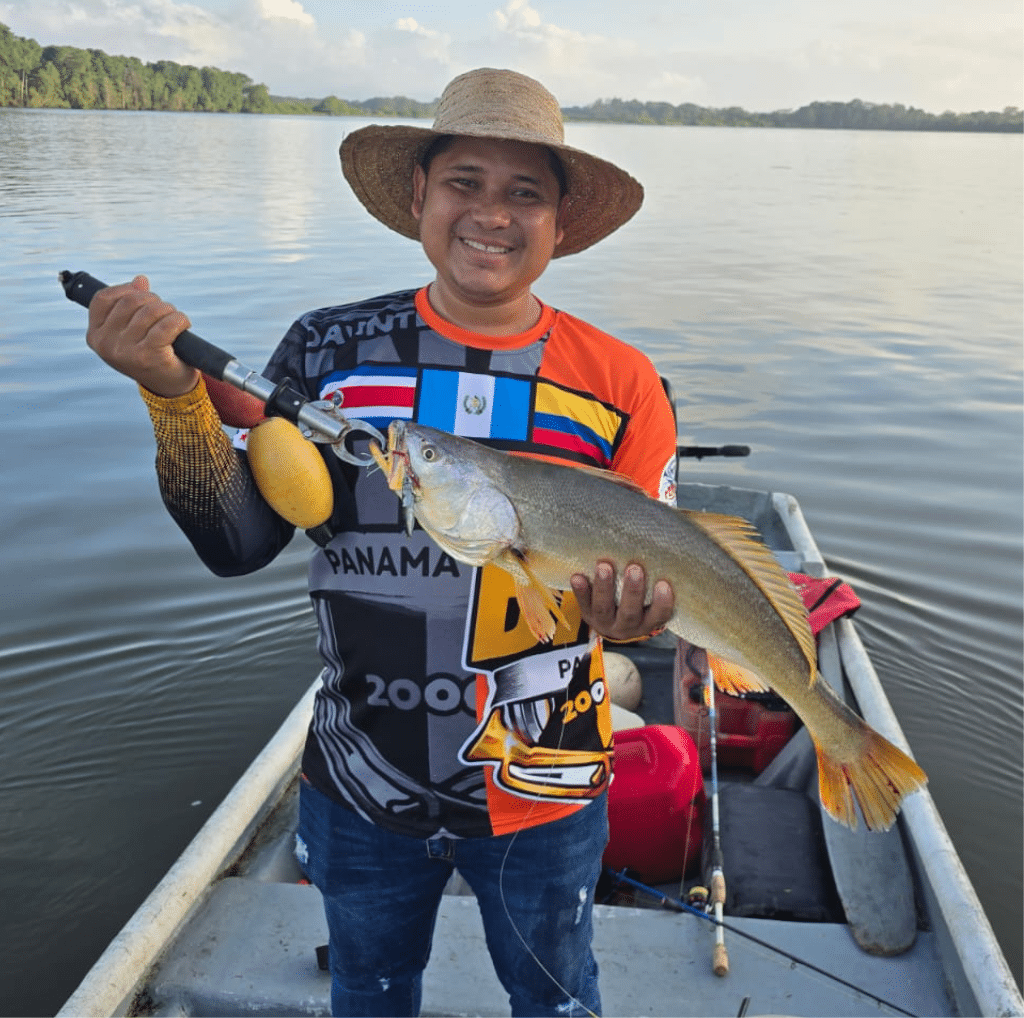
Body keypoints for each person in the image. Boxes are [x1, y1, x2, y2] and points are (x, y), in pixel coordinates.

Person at [85, 67, 677, 1018]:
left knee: (558, 997)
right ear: (417, 196)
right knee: (367, 994)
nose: (492, 214)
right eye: (465, 182)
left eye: (525, 192)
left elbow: (650, 595)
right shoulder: (327, 351)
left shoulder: (623, 383)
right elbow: (239, 542)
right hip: (360, 780)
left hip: (546, 785)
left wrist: (637, 618)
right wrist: (170, 395)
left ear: (561, 221)